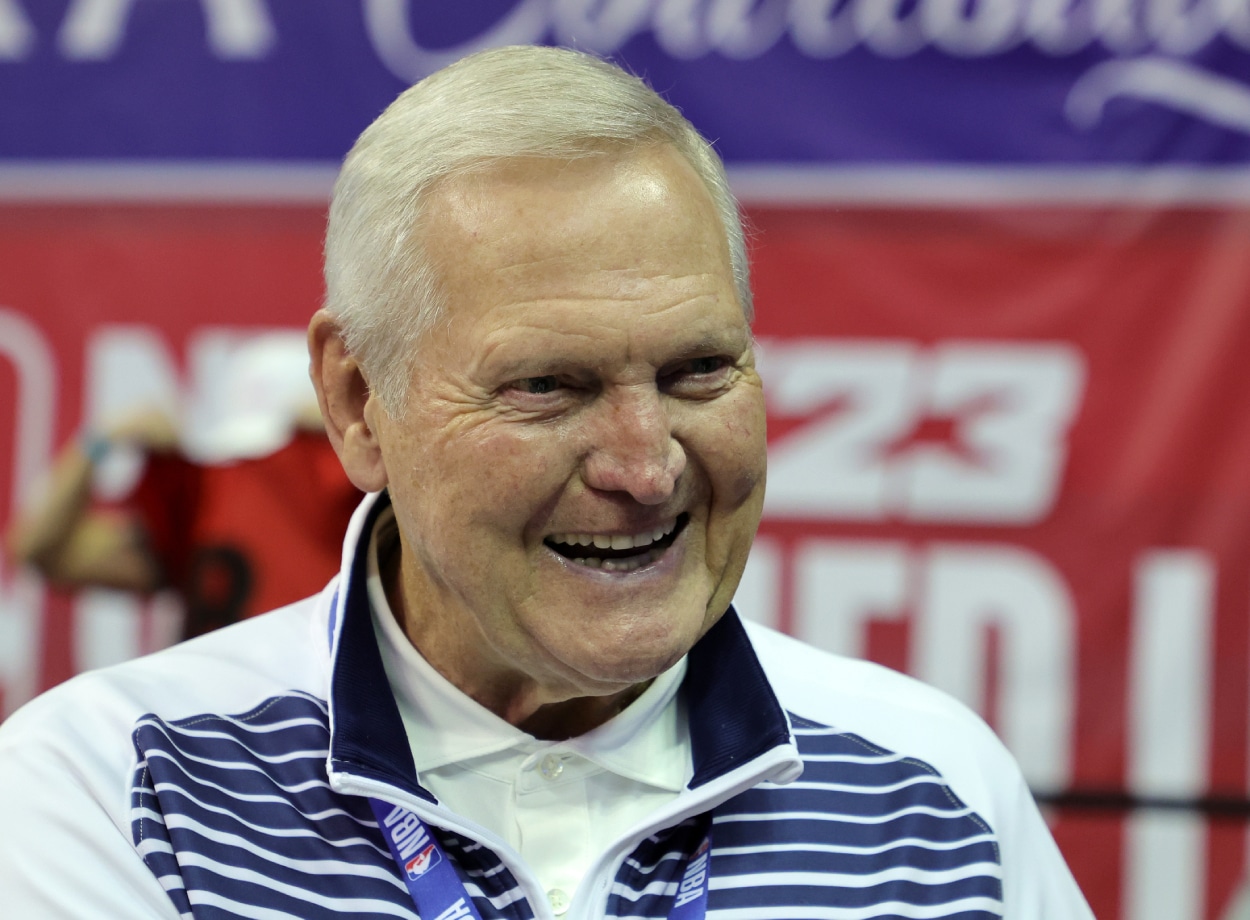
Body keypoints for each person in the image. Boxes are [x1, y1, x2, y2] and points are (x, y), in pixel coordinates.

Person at [0, 45, 1094, 919]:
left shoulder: (934, 795)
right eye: (546, 385)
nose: (644, 463)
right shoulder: (113, 792)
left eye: (698, 369)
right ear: (354, 400)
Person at [5, 335, 360, 638]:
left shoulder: (206, 491)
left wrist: (103, 438)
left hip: (231, 712)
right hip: (306, 707)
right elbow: (39, 550)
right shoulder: (204, 494)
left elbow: (41, 549)